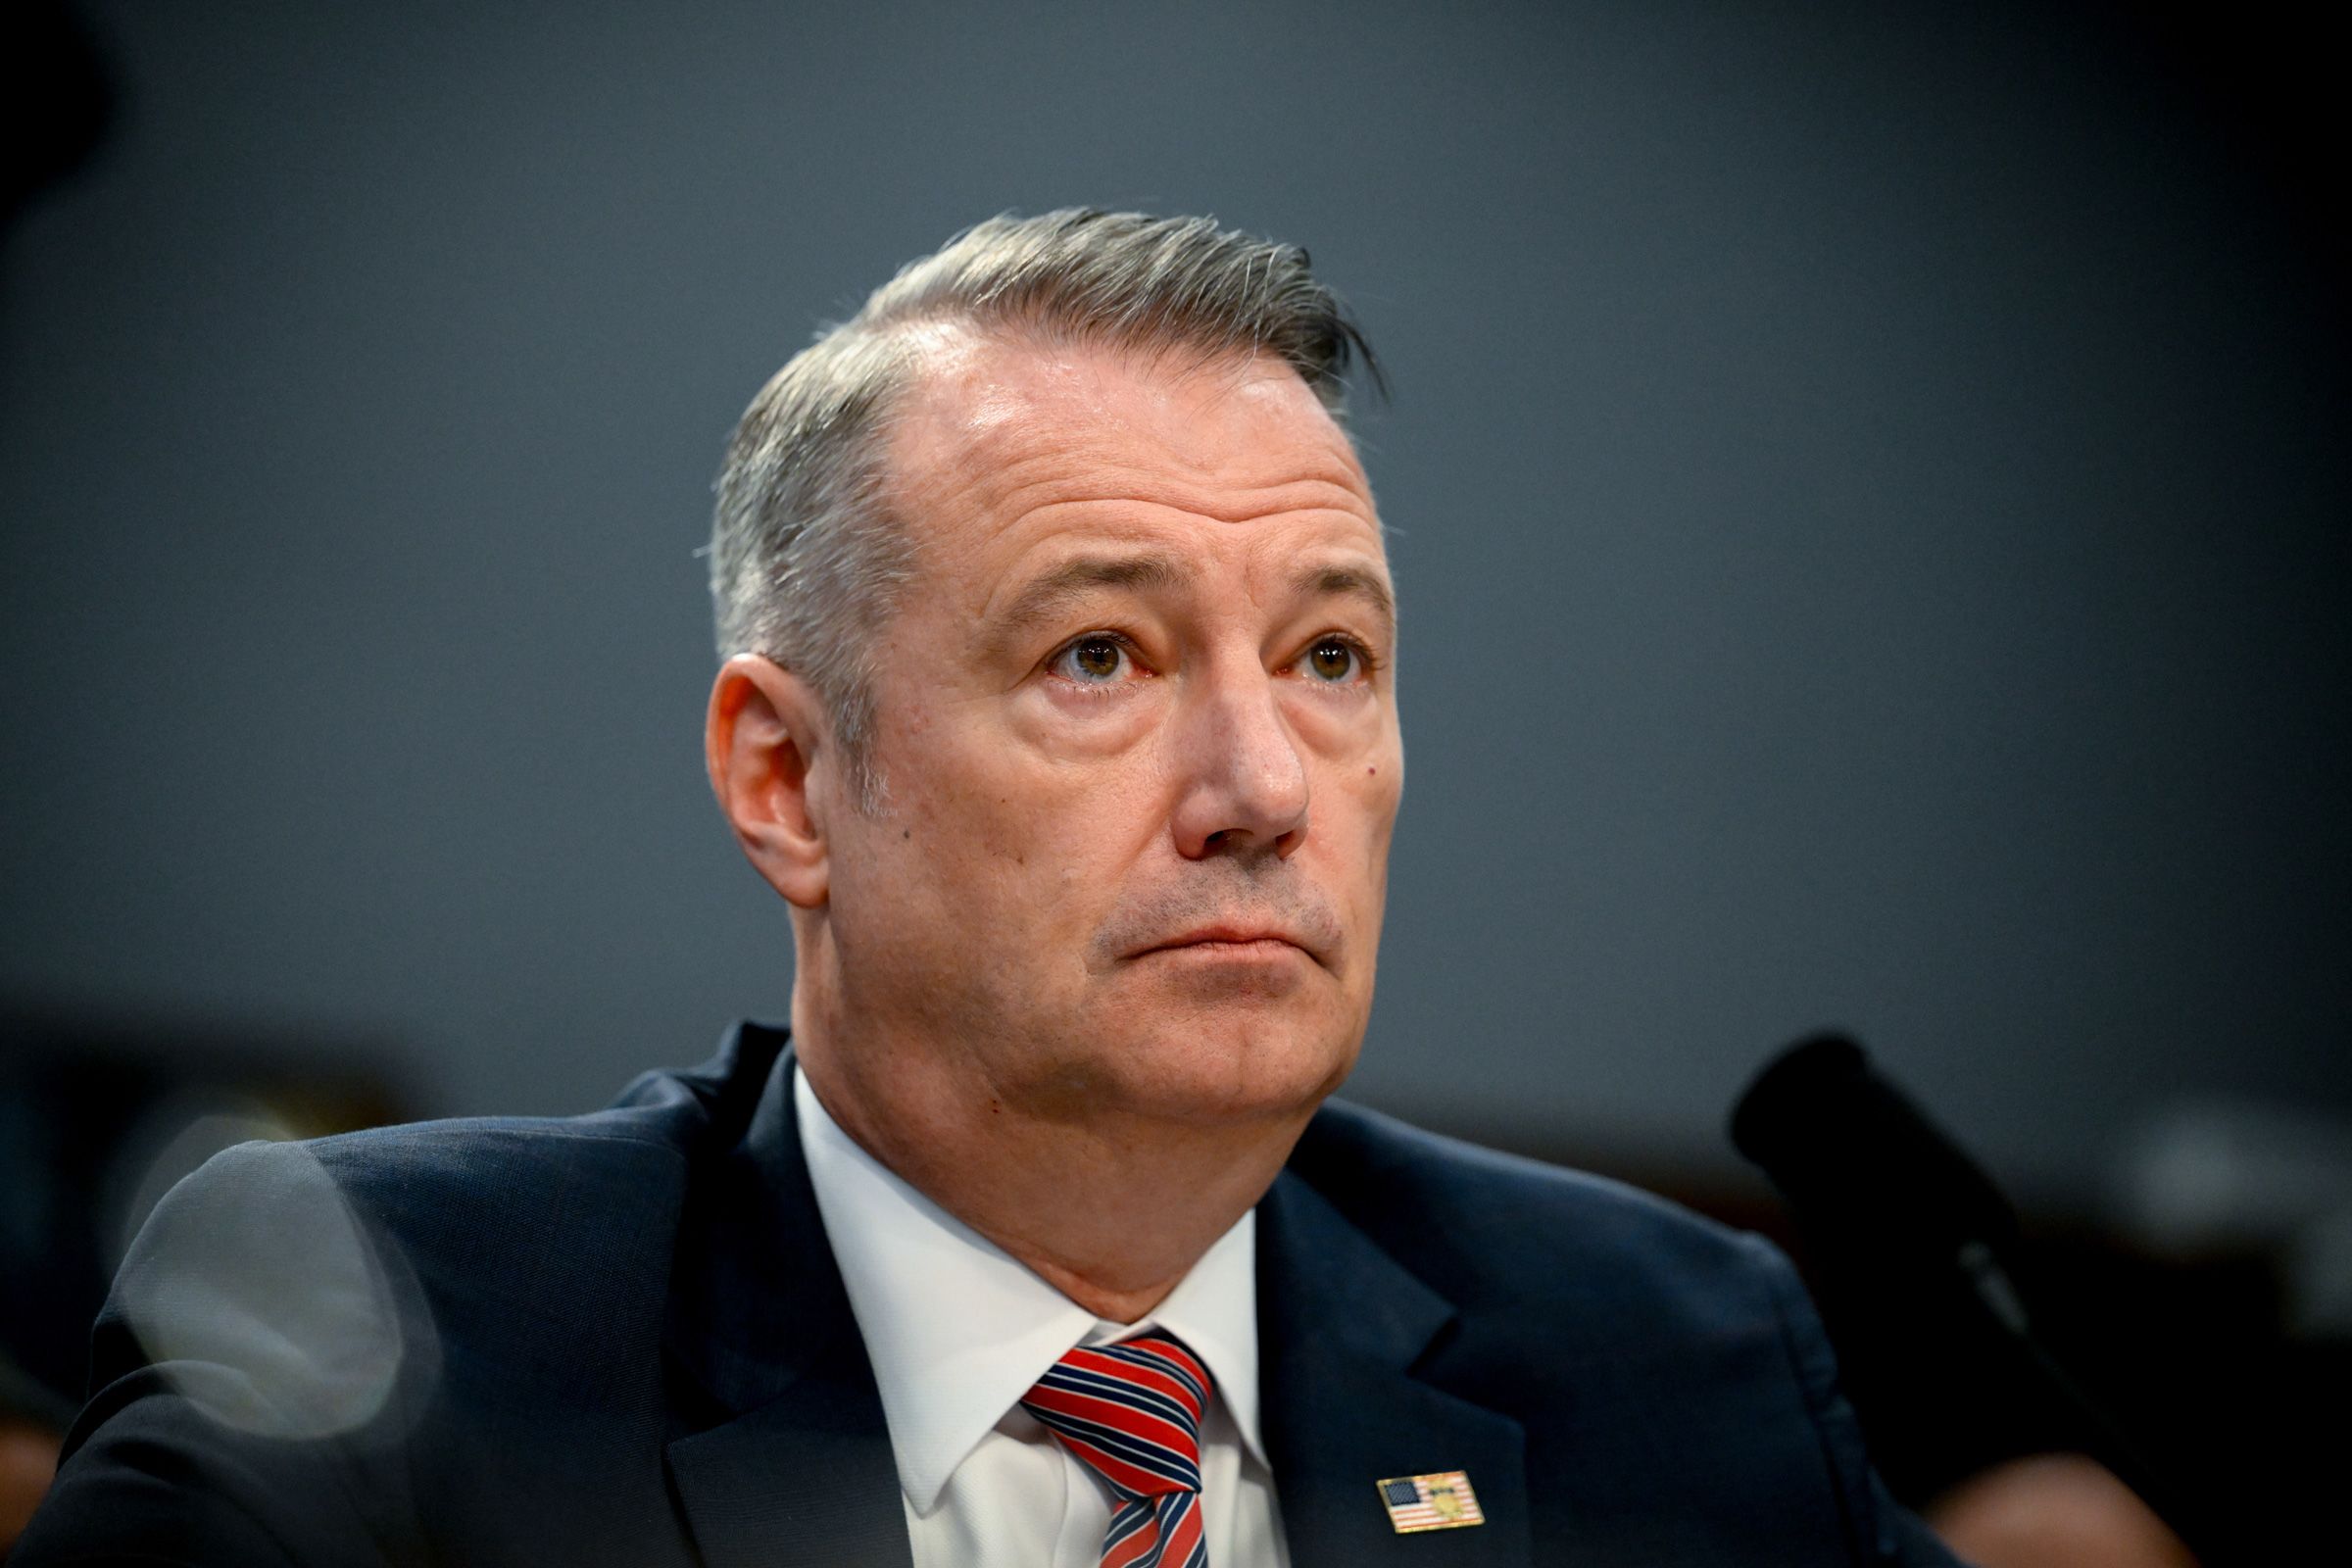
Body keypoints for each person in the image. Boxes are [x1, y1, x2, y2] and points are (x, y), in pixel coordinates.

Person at [15, 211, 1964, 1567]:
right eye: (1100, 655)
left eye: (1330, 658)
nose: (1263, 788)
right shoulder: (384, 1360)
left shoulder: (1675, 1359)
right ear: (788, 779)